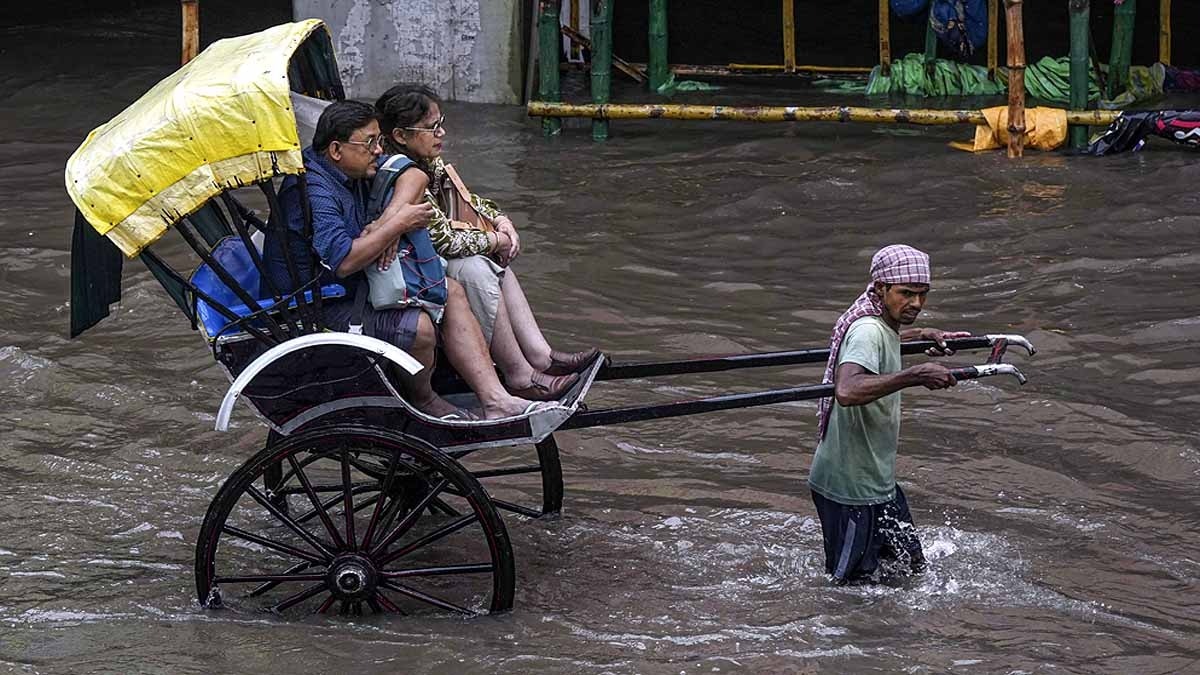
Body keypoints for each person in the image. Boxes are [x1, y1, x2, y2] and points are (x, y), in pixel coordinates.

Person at [262, 99, 539, 420]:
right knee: (421, 328)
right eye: (370, 143)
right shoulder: (313, 191)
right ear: (336, 150)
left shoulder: (350, 164)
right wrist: (399, 224)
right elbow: (345, 261)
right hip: (319, 304)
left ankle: (495, 399)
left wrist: (385, 225)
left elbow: (413, 176)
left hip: (350, 286)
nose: (379, 150)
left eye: (379, 140)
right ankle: (423, 398)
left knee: (451, 290)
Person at [373, 84, 599, 401]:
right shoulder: (401, 173)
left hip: (426, 259)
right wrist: (496, 240)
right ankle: (519, 375)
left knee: (490, 261)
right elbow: (445, 240)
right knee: (476, 267)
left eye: (441, 123)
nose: (442, 133)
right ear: (400, 135)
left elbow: (469, 199)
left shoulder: (427, 163)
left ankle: (540, 356)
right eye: (431, 128)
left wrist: (501, 221)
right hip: (409, 268)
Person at [808, 244, 971, 585]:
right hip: (850, 488)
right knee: (849, 590)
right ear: (880, 288)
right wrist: (915, 375)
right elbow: (847, 390)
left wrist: (924, 335)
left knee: (910, 572)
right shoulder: (866, 330)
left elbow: (885, 338)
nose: (915, 304)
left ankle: (891, 638)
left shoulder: (881, 326)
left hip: (877, 481)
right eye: (906, 293)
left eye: (922, 294)